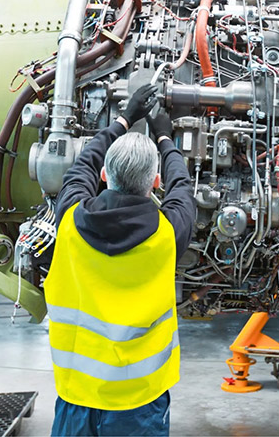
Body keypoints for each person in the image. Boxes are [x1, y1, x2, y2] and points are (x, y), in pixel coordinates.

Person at [44, 84, 196, 436]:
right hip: (139, 404)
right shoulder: (169, 233)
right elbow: (182, 188)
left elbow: (82, 165)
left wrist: (124, 119)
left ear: (103, 176)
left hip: (76, 397)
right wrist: (165, 138)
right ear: (155, 182)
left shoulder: (69, 219)